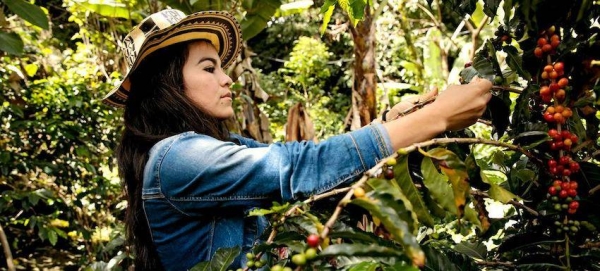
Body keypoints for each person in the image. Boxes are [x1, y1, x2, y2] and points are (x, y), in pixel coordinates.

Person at [103, 9, 492, 271]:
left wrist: (392, 120)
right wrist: (436, 117)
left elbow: (312, 165)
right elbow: (298, 168)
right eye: (209, 68)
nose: (227, 80)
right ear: (166, 86)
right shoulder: (176, 157)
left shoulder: (222, 148)